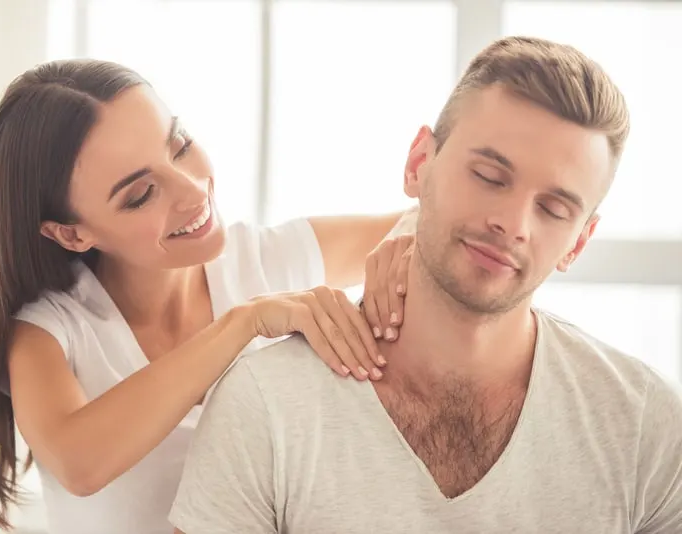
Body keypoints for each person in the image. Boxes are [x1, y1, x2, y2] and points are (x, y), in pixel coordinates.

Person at [169, 36, 682, 534]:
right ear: (419, 165)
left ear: (579, 242)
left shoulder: (643, 423)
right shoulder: (266, 404)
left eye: (553, 209)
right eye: (488, 176)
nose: (514, 223)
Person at [0, 59, 421, 534]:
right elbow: (78, 462)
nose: (192, 192)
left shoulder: (261, 259)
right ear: (71, 234)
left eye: (180, 146)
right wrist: (242, 324)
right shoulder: (46, 330)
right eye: (141, 194)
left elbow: (424, 226)